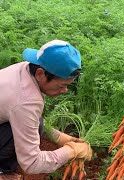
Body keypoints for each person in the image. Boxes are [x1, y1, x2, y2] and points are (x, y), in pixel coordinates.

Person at [0, 40, 92, 178]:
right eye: (61, 86)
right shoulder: (26, 101)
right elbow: (31, 163)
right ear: (40, 73)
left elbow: (28, 118)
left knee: (39, 124)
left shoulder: (25, 69)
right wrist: (71, 151)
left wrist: (60, 138)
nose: (65, 90)